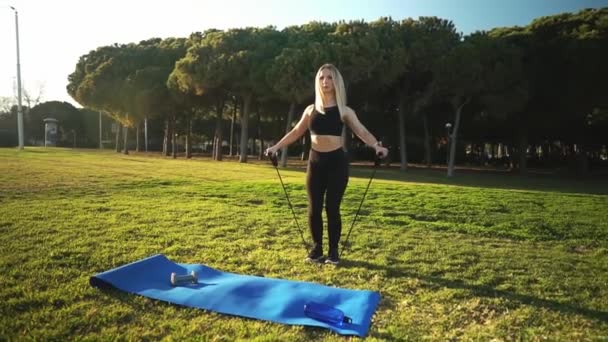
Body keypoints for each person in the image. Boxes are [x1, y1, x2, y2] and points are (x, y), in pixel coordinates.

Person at [266, 63, 388, 265]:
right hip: (315, 162)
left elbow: (361, 131)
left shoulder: (344, 111)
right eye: (322, 78)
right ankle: (317, 249)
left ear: (336, 82)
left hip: (336, 162)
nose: (325, 82)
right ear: (318, 82)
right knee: (314, 208)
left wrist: (376, 146)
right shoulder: (311, 109)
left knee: (332, 208)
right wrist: (276, 147)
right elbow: (296, 132)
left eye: (330, 78)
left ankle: (333, 251)